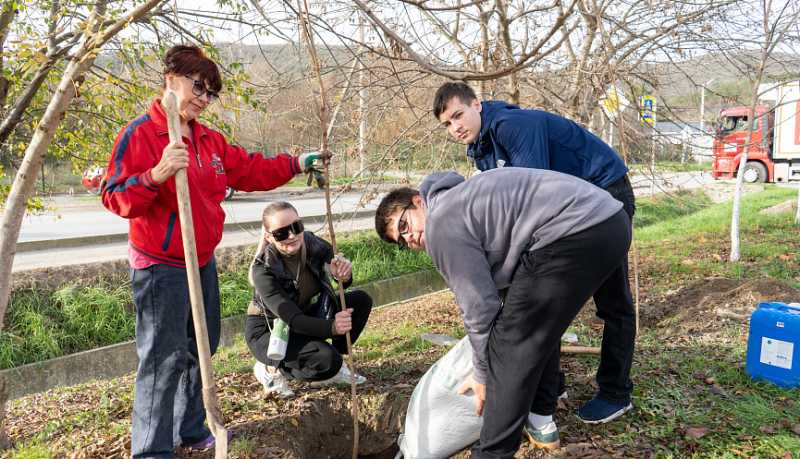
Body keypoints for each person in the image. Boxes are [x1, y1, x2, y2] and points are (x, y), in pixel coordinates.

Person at [101, 45, 325, 458]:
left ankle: (189, 428)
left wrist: (296, 163)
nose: (204, 99)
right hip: (159, 267)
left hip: (200, 261)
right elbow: (114, 197)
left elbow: (250, 169)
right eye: (198, 87)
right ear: (171, 79)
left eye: (211, 93)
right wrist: (156, 175)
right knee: (162, 358)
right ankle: (150, 450)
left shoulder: (208, 140)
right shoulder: (141, 134)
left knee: (201, 346)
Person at [375, 168, 631, 456]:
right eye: (401, 240)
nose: (409, 238)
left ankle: (492, 453)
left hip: (574, 231)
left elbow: (480, 309)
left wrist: (482, 373)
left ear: (418, 201)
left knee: (508, 344)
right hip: (610, 220)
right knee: (536, 326)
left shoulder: (441, 223)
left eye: (404, 225)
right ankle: (541, 418)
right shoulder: (462, 199)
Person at [433, 82, 636, 424]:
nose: (455, 127)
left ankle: (616, 392)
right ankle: (552, 386)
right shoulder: (482, 147)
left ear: (477, 105)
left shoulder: (513, 127)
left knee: (612, 302)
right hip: (570, 211)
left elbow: (536, 195)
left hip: (604, 195)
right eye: (447, 124)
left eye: (458, 115)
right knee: (544, 295)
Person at [245, 201, 372, 397]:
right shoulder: (263, 270)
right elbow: (292, 318)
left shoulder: (312, 244)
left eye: (296, 227)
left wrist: (343, 275)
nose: (292, 236)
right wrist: (333, 327)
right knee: (327, 360)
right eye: (281, 233)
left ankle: (338, 366)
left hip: (302, 317)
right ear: (269, 237)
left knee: (360, 301)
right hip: (270, 331)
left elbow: (338, 272)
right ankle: (271, 368)